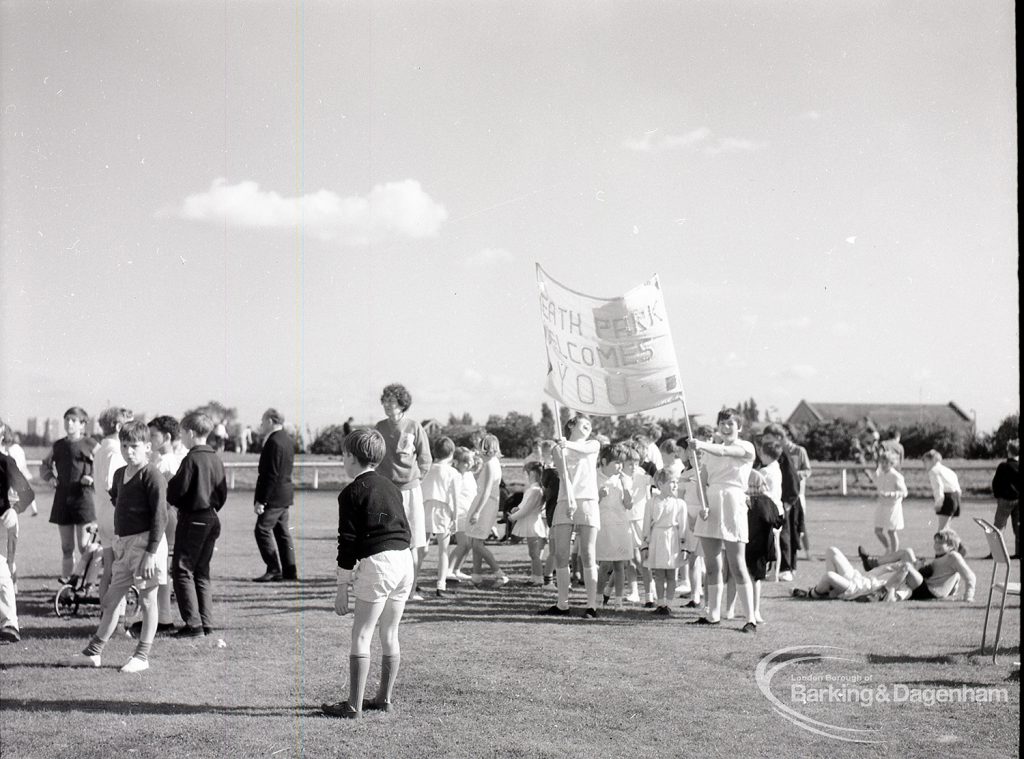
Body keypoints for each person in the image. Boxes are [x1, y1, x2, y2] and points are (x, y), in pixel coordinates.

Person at [62, 420, 168, 672]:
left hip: (147, 546)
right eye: (124, 445)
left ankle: (142, 657)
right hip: (123, 545)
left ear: (147, 447)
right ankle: (93, 653)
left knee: (148, 601)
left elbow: (159, 516)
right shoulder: (121, 474)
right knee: (110, 600)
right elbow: (117, 499)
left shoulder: (151, 474)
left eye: (134, 446)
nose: (129, 451)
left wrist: (151, 552)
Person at [322, 428, 413, 719]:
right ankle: (383, 699)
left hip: (380, 564)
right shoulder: (391, 486)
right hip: (403, 561)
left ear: (350, 457)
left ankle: (353, 707)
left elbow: (346, 542)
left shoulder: (351, 493)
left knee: (361, 634)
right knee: (389, 632)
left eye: (343, 456)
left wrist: (341, 586)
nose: (342, 461)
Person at [683, 408, 758, 632]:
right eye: (723, 424)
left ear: (739, 427)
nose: (726, 428)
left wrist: (702, 444)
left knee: (737, 563)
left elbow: (726, 453)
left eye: (731, 424)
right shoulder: (709, 452)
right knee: (712, 564)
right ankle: (712, 615)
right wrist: (703, 505)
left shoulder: (746, 447)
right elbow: (701, 480)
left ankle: (750, 619)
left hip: (733, 503)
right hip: (712, 506)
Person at [166, 412, 228, 637]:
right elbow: (222, 493)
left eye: (182, 433)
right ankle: (206, 623)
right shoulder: (215, 458)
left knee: (182, 570)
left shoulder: (191, 458)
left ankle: (193, 625)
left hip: (194, 518)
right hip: (212, 517)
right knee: (201, 572)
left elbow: (176, 490)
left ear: (191, 433)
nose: (181, 437)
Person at [539, 415, 601, 618]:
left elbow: (584, 450)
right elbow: (564, 475)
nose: (588, 426)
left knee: (588, 553)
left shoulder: (593, 444)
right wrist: (570, 498)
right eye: (583, 423)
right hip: (566, 501)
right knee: (561, 554)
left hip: (588, 500)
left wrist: (568, 445)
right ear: (571, 425)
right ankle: (562, 604)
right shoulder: (559, 449)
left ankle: (591, 606)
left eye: (590, 424)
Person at [374, 384, 432, 598]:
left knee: (414, 542)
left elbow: (426, 460)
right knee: (385, 541)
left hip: (410, 492)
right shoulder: (378, 427)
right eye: (385, 401)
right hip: (385, 492)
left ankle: (412, 588)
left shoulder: (415, 427)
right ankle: (386, 586)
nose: (388, 405)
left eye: (392, 401)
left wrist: (415, 480)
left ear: (402, 404)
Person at [41, 406, 97, 582]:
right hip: (62, 499)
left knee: (84, 547)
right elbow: (44, 465)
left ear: (83, 424)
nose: (69, 423)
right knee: (66, 547)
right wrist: (50, 478)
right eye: (66, 419)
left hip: (83, 499)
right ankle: (66, 588)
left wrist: (92, 476)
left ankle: (88, 585)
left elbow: (104, 463)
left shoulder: (91, 443)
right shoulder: (58, 445)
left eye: (73, 420)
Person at [91, 407, 133, 623]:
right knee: (120, 570)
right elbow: (112, 484)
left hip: (103, 514)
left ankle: (106, 614)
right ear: (118, 427)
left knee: (109, 568)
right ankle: (115, 617)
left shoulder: (101, 449)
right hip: (115, 516)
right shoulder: (116, 451)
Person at [144, 415, 185, 635]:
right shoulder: (161, 459)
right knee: (161, 570)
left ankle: (164, 617)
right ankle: (163, 615)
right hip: (166, 514)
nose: (149, 439)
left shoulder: (166, 462)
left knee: (161, 570)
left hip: (165, 516)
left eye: (153, 435)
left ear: (167, 437)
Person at [740, 439, 786, 624]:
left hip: (761, 520)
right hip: (771, 515)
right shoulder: (775, 469)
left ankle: (747, 609)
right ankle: (773, 573)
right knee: (771, 548)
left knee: (751, 570)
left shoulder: (764, 473)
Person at [252, 409, 297, 582]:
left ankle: (274, 568)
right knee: (282, 533)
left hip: (274, 497)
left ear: (270, 421)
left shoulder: (273, 441)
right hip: (284, 494)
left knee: (262, 530)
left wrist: (261, 500)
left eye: (263, 420)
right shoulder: (286, 439)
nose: (261, 424)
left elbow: (270, 474)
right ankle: (289, 571)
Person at [464, 434, 510, 587]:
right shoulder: (492, 462)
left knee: (477, 544)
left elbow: (487, 491)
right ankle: (476, 576)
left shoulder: (490, 464)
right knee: (476, 541)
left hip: (486, 504)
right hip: (486, 502)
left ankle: (500, 574)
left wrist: (477, 512)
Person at [760, 423, 803, 582]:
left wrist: (789, 501)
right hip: (777, 500)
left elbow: (793, 479)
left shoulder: (782, 454)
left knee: (787, 536)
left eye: (769, 438)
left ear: (778, 438)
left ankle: (787, 568)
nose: (766, 441)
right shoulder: (771, 454)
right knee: (778, 537)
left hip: (786, 501)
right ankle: (777, 568)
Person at [1, 445, 35, 642]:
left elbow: (27, 493)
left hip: (2, 522)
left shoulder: (5, 462)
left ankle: (9, 623)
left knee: (2, 570)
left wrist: (15, 509)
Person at [641, 468, 686, 616]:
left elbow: (683, 527)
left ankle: (669, 604)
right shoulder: (652, 502)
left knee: (672, 574)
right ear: (660, 484)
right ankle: (660, 603)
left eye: (676, 482)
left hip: (672, 539)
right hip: (657, 538)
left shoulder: (679, 504)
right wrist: (645, 545)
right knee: (659, 574)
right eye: (671, 482)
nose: (674, 485)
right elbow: (647, 524)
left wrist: (684, 546)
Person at [595, 443, 634, 611]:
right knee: (604, 564)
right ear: (604, 461)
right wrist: (598, 495)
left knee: (620, 565)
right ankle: (597, 599)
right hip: (603, 525)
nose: (620, 467)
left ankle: (618, 601)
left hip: (620, 525)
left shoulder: (624, 479)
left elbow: (628, 505)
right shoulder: (595, 477)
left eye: (621, 463)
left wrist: (626, 489)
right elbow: (590, 504)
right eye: (616, 463)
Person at [420, 436, 460, 597]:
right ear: (451, 453)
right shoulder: (452, 472)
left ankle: (413, 583)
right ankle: (440, 585)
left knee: (421, 549)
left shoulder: (426, 468)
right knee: (444, 550)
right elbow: (455, 497)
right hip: (443, 508)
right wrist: (455, 518)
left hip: (425, 507)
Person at [623, 443, 654, 606]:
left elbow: (656, 482)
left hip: (641, 521)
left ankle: (649, 594)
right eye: (630, 463)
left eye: (636, 463)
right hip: (625, 521)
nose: (634, 466)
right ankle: (633, 591)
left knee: (644, 559)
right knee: (629, 559)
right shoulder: (620, 477)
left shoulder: (643, 475)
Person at [507, 461, 547, 585]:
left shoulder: (535, 490)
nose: (526, 477)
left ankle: (539, 578)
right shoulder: (533, 489)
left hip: (533, 524)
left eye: (527, 474)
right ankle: (534, 577)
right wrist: (516, 509)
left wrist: (513, 517)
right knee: (533, 553)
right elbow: (524, 506)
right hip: (530, 522)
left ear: (533, 474)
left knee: (535, 554)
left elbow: (527, 509)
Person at [445, 447, 477, 582]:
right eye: (465, 461)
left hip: (469, 513)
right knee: (463, 543)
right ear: (457, 462)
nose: (469, 464)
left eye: (470, 461)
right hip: (460, 513)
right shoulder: (455, 476)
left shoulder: (469, 475)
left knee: (468, 544)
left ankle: (457, 569)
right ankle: (448, 570)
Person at [872, 450, 908, 553]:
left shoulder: (896, 476)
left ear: (891, 464)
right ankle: (888, 549)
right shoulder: (880, 474)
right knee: (878, 531)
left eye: (886, 462)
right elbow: (876, 482)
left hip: (892, 506)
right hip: (882, 505)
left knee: (891, 531)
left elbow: (904, 493)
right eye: (881, 462)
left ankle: (894, 554)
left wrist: (891, 494)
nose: (883, 465)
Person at [990, 440, 1019, 559]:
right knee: (1018, 527)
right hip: (1018, 500)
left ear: (1009, 451)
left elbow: (995, 483)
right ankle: (1018, 552)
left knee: (998, 527)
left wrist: (998, 495)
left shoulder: (1003, 466)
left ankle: (996, 552)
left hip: (1005, 500)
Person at [923, 450, 961, 531]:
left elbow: (938, 488)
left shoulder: (933, 471)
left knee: (941, 531)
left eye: (925, 461)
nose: (924, 464)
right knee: (946, 528)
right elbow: (958, 489)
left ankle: (958, 544)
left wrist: (938, 504)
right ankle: (957, 544)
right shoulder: (949, 470)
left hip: (946, 499)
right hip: (956, 498)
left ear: (933, 460)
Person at [1, 425, 34, 516]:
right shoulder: (16, 450)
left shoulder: (7, 459)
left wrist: (15, 510)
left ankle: (34, 510)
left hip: (3, 517)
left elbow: (28, 494)